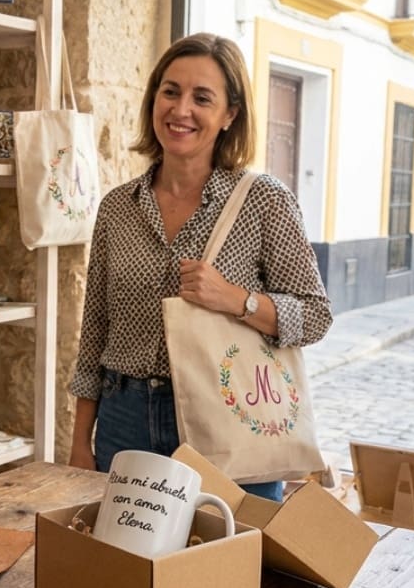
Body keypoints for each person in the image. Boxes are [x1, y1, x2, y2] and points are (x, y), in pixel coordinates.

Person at [67, 33, 332, 500]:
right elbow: (95, 332)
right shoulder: (116, 208)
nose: (181, 110)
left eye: (202, 98)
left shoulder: (264, 201)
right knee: (126, 565)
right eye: (170, 91)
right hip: (123, 417)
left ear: (230, 115)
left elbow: (314, 316)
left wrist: (236, 299)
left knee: (230, 564)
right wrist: (79, 443)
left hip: (225, 417)